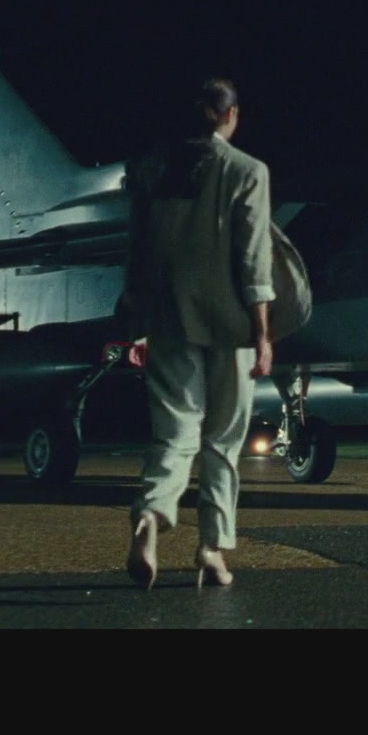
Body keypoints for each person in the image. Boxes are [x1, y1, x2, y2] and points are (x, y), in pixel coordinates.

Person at [118, 77, 275, 588]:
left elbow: (138, 253)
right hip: (229, 324)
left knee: (174, 431)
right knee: (224, 439)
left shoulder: (150, 169)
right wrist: (263, 334)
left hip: (167, 319)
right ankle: (211, 549)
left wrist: (135, 325)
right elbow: (254, 260)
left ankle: (151, 516)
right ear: (231, 115)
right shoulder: (247, 171)